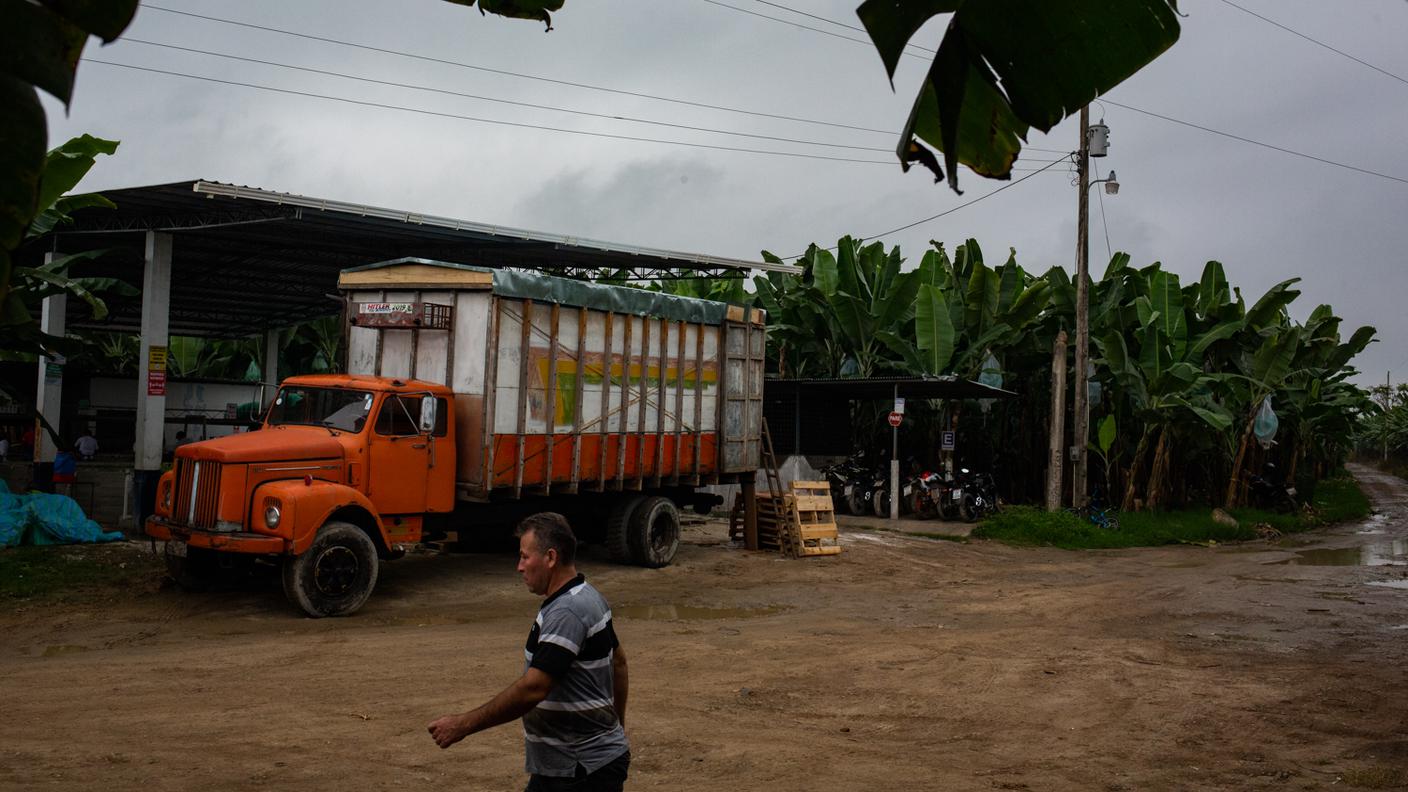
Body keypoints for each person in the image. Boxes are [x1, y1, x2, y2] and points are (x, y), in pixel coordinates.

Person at [428, 512, 630, 791]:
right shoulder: (586, 595)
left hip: (580, 769)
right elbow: (618, 663)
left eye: (525, 557)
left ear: (550, 557)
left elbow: (534, 688)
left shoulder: (568, 612)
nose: (519, 567)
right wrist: (616, 728)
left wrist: (463, 725)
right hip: (574, 765)